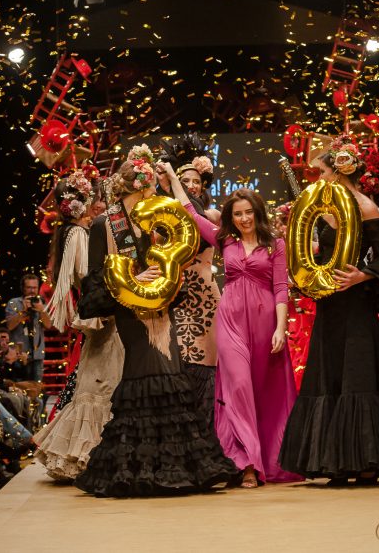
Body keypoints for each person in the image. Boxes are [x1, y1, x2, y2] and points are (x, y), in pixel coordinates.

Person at [74, 145, 237, 497]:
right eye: (140, 181)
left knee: (171, 369)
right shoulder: (107, 223)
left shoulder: (156, 218)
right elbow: (95, 279)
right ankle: (139, 467)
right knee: (147, 370)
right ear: (127, 183)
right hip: (130, 310)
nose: (144, 187)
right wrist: (134, 276)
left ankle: (179, 466)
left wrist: (164, 273)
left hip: (163, 307)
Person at [278, 137, 379, 484]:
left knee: (357, 375)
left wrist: (361, 275)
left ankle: (367, 461)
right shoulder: (324, 211)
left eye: (323, 171)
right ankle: (336, 463)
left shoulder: (365, 207)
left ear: (338, 172)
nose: (319, 178)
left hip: (356, 306)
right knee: (329, 375)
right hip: (330, 306)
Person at [163, 163, 299, 487]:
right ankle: (247, 463)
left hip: (266, 324)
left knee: (263, 392)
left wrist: (281, 328)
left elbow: (281, 288)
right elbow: (190, 216)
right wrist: (170, 177)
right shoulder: (226, 241)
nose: (244, 219)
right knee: (237, 387)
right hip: (231, 322)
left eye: (248, 212)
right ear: (231, 218)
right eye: (237, 214)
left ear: (257, 213)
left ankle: (268, 457)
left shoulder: (275, 245)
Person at [35, 168, 124, 482]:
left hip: (102, 317)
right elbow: (88, 273)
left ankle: (88, 451)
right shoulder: (77, 235)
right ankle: (86, 454)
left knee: (97, 382)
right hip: (101, 317)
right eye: (92, 200)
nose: (96, 206)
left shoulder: (74, 233)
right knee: (100, 384)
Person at [158, 140, 222, 428]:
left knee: (208, 360)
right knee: (178, 358)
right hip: (175, 291)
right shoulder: (162, 218)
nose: (192, 186)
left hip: (206, 295)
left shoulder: (213, 216)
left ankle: (209, 431)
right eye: (185, 181)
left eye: (196, 181)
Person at [5, 274, 52, 381]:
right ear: (23, 288)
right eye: (29, 288)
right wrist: (23, 312)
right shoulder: (14, 303)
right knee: (19, 389)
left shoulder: (42, 303)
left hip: (37, 355)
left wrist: (41, 311)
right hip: (18, 355)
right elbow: (10, 326)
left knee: (35, 391)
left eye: (34, 288)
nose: (32, 291)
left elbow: (48, 325)